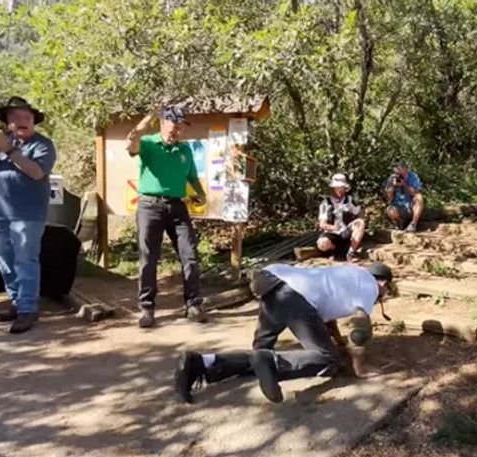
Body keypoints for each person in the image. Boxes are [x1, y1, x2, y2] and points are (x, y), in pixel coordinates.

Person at [174, 262, 394, 404]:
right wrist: (359, 367)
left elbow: (328, 321)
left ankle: (202, 363)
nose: (383, 294)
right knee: (327, 360)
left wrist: (339, 343)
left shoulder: (347, 273)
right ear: (382, 281)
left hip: (273, 281)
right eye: (386, 290)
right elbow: (360, 329)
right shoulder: (369, 284)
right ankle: (268, 360)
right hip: (297, 295)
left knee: (259, 354)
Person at [126, 106, 208, 329]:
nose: (178, 132)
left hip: (177, 206)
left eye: (181, 128)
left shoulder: (185, 149)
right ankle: (147, 308)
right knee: (149, 258)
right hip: (150, 206)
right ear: (163, 123)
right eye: (174, 127)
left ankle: (193, 304)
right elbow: (131, 143)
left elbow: (191, 176)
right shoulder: (149, 144)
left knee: (189, 254)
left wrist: (200, 194)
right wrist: (148, 118)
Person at [0, 96, 56, 334]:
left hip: (28, 215)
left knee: (25, 261)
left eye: (26, 117)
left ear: (34, 121)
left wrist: (9, 150)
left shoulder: (42, 145)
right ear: (8, 123)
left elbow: (35, 173)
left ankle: (27, 310)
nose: (21, 121)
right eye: (15, 118)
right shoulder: (0, 143)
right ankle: (16, 301)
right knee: (3, 260)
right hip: (0, 214)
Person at [316, 173, 365, 262]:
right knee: (322, 243)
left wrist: (358, 225)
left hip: (346, 232)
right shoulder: (326, 202)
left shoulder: (349, 200)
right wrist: (332, 227)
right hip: (332, 234)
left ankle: (351, 252)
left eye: (341, 187)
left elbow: (360, 213)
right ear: (333, 188)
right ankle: (335, 250)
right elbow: (322, 224)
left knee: (360, 223)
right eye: (337, 187)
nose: (339, 189)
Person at [384, 161, 423, 232]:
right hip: (398, 207)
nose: (399, 176)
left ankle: (413, 224)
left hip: (411, 206)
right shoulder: (392, 178)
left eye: (400, 173)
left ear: (406, 169)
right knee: (389, 211)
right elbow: (389, 198)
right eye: (396, 173)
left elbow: (416, 193)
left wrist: (404, 185)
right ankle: (401, 222)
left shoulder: (413, 176)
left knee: (419, 197)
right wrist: (392, 187)